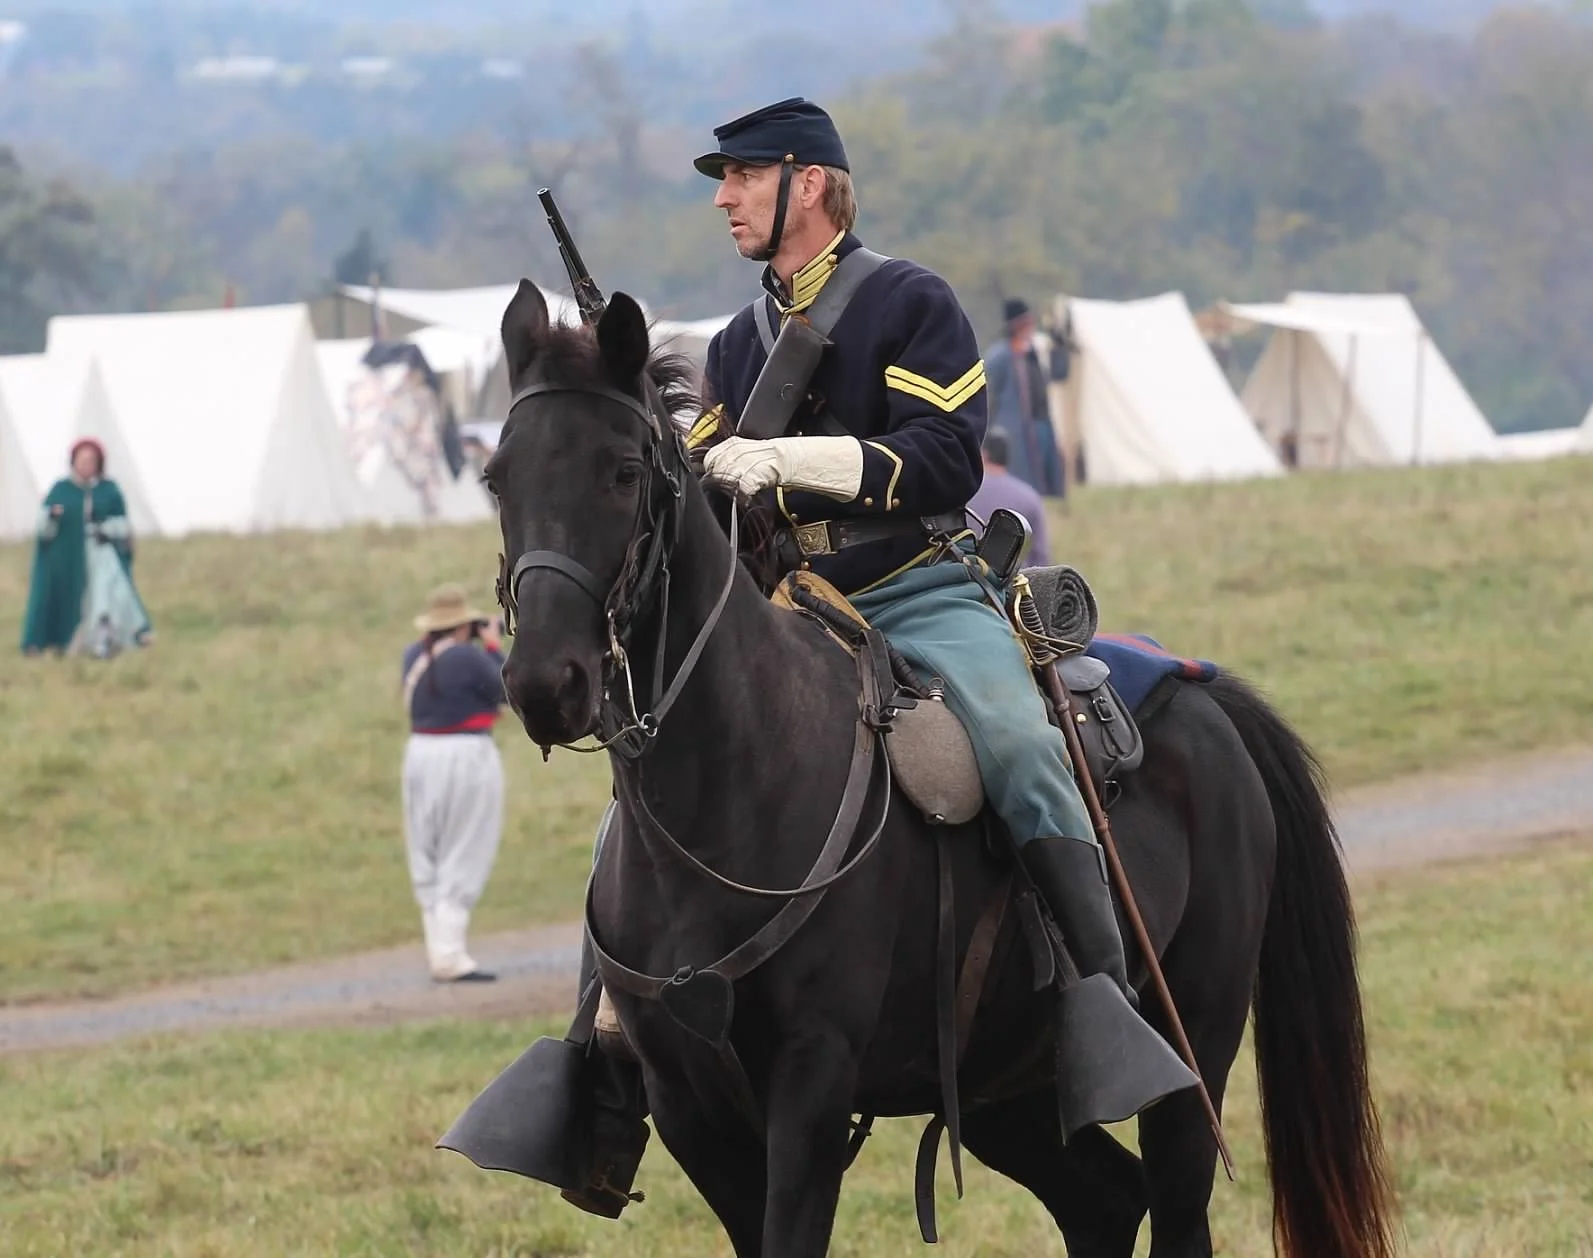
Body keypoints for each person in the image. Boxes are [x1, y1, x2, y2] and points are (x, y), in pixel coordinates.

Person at [540, 96, 1183, 1219]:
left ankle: (1100, 1006)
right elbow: (700, 500)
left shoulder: (907, 300)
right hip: (789, 603)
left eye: (741, 176)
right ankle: (600, 1062)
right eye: (722, 180)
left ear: (810, 183)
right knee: (640, 791)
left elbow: (944, 456)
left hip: (919, 589)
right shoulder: (738, 344)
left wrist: (787, 461)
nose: (723, 198)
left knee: (1020, 746)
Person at [400, 583, 508, 983]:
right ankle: (449, 956)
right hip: (466, 754)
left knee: (426, 850)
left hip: (419, 753)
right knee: (466, 845)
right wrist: (493, 647)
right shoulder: (468, 657)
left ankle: (440, 949)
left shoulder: (413, 655)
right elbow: (508, 688)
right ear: (463, 624)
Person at [20, 438, 152, 658]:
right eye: (82, 460)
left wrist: (106, 530)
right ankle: (62, 643)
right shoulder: (61, 490)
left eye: (91, 461)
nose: (86, 465)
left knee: (107, 597)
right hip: (69, 560)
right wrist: (53, 516)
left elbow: (122, 525)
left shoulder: (109, 490)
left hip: (101, 557)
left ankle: (107, 641)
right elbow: (43, 529)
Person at [983, 298, 1067, 498]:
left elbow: (1059, 374)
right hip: (1013, 427)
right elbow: (990, 391)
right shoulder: (999, 356)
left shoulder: (1034, 351)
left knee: (1043, 478)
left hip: (1040, 423)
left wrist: (1059, 347)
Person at [967, 427, 1051, 567]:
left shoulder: (967, 491)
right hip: (1017, 577)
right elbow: (1040, 557)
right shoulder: (1030, 497)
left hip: (968, 574)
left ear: (984, 454)